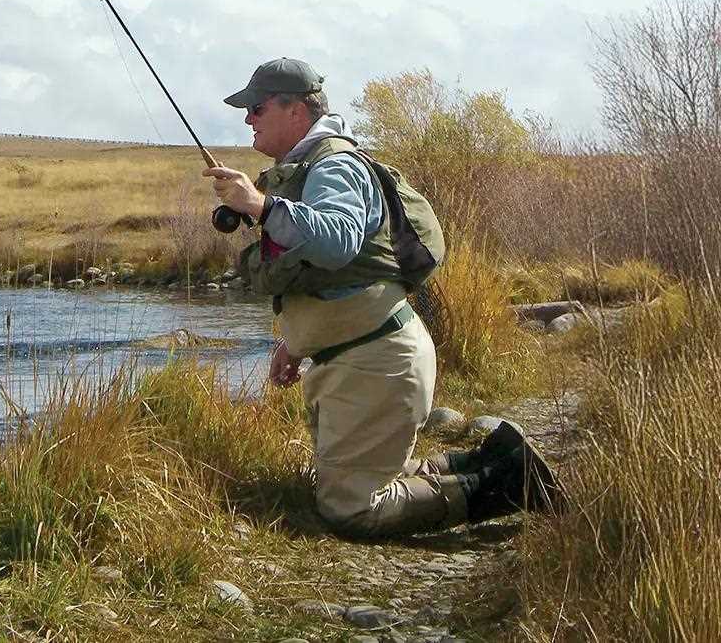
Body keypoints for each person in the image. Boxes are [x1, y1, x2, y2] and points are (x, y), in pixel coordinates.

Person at [205, 57, 563, 537]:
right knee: (353, 484)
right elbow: (340, 275)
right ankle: (494, 458)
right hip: (361, 357)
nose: (248, 118)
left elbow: (337, 241)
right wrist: (295, 342)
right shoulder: (312, 168)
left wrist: (259, 204)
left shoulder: (334, 166)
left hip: (376, 360)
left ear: (297, 111)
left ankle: (510, 484)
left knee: (351, 510)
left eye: (257, 107)